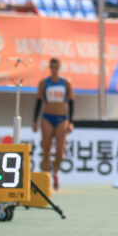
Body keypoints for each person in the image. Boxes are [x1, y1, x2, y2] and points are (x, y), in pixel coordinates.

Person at [32, 57, 74, 190]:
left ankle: (55, 172)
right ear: (49, 68)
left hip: (62, 118)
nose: (54, 70)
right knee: (46, 148)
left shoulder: (66, 83)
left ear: (59, 68)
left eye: (56, 68)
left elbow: (71, 102)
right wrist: (34, 120)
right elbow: (39, 102)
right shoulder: (44, 83)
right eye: (52, 68)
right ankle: (45, 177)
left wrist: (71, 122)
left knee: (60, 151)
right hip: (47, 117)